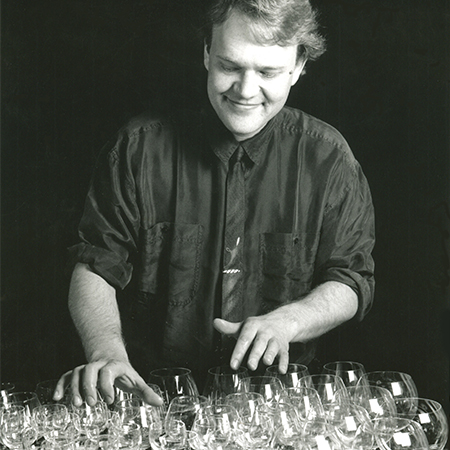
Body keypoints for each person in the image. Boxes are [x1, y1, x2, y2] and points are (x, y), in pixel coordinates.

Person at [54, 0, 375, 407]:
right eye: (230, 66)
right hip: (152, 407)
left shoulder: (329, 159)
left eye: (268, 72)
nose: (244, 90)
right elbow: (94, 264)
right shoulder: (137, 148)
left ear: (298, 66)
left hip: (278, 414)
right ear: (207, 52)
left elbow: (351, 280)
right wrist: (106, 353)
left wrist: (288, 321)